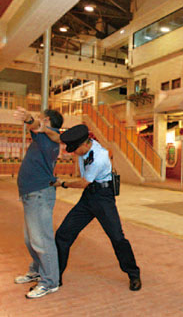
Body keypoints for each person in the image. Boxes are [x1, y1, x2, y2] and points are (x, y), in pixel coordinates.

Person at [52, 124, 142, 291]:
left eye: (75, 150)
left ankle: (133, 273)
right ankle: (55, 277)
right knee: (63, 235)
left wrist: (62, 184)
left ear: (85, 144)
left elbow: (83, 183)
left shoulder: (98, 157)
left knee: (117, 237)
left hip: (103, 198)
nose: (73, 153)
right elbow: (57, 138)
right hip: (88, 199)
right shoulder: (84, 147)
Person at [13, 107, 64, 299]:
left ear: (48, 121)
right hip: (31, 195)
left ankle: (50, 281)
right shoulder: (43, 137)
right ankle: (36, 271)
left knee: (41, 240)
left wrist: (29, 119)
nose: (38, 121)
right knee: (31, 240)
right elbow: (37, 127)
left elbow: (35, 125)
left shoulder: (47, 136)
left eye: (42, 118)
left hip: (39, 195)